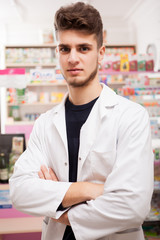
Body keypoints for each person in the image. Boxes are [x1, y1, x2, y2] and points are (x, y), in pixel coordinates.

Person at [9, 2, 154, 240]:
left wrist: (61, 210)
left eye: (84, 48)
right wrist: (91, 190)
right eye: (65, 49)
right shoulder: (45, 124)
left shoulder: (131, 117)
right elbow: (20, 192)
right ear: (57, 53)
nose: (73, 58)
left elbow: (132, 206)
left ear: (101, 53)